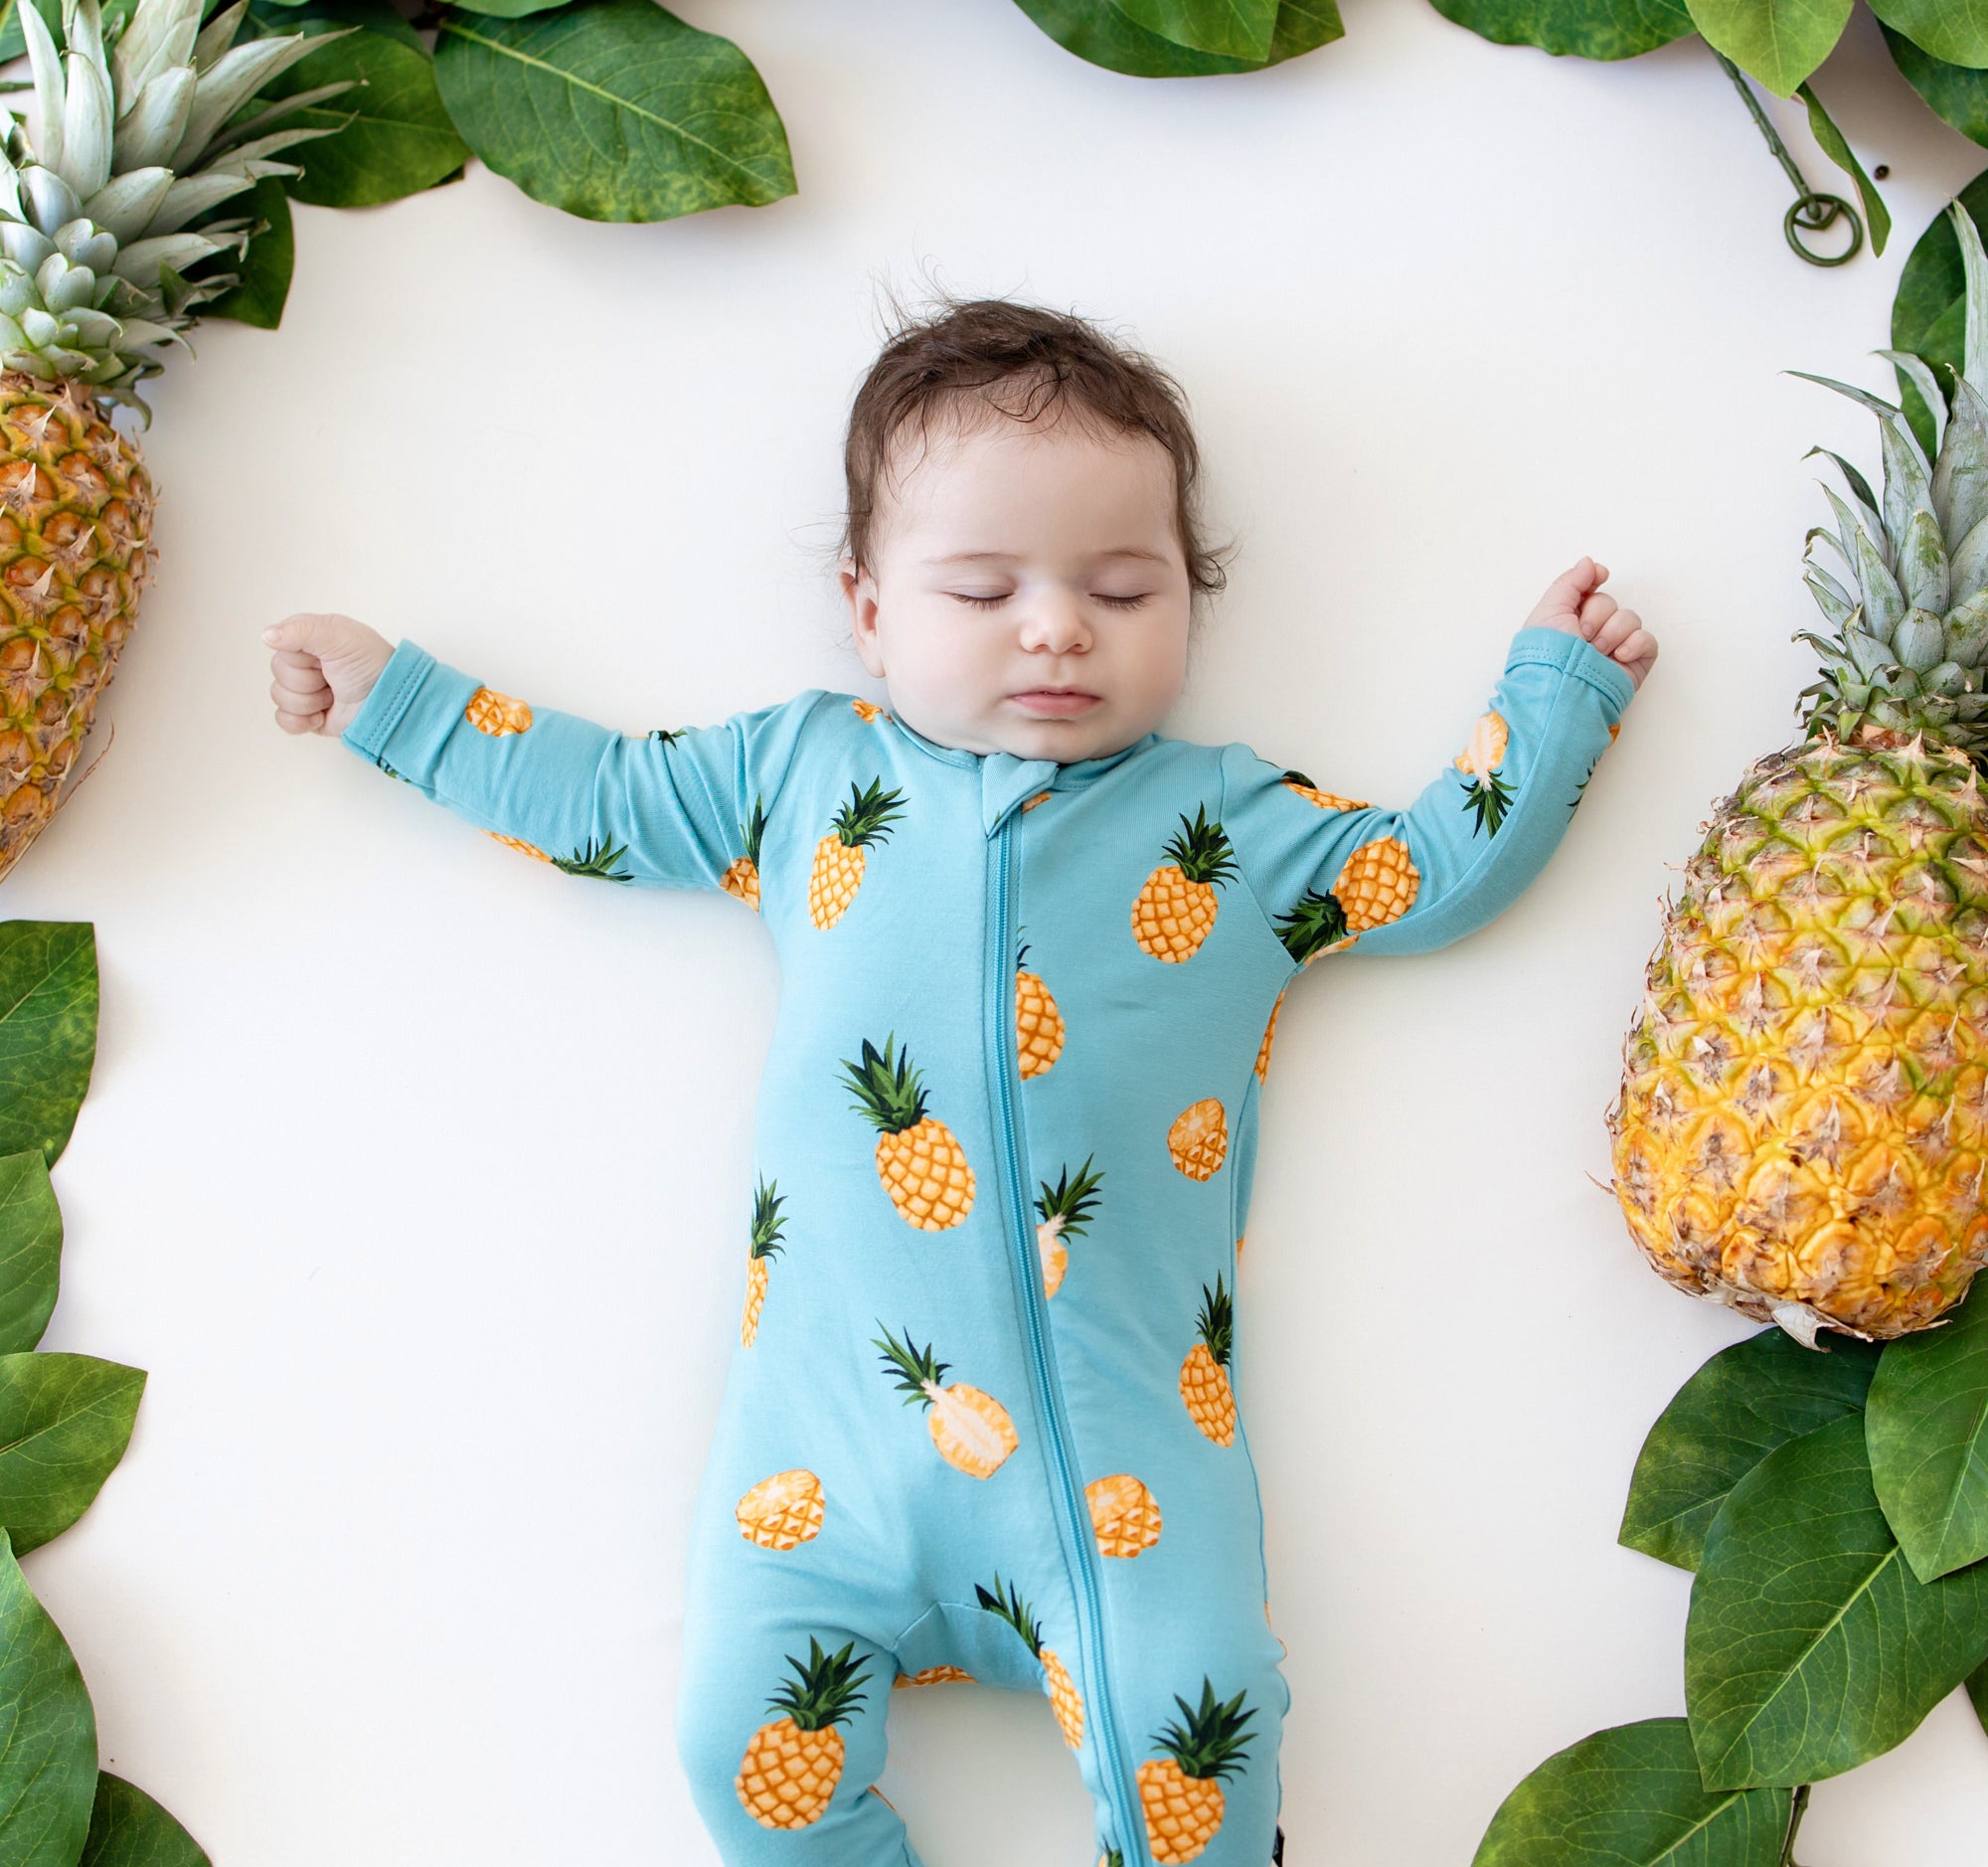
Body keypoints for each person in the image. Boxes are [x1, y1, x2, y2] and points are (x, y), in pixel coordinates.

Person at [264, 297, 1655, 1867]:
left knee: (1205, 1720)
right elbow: (602, 793)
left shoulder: (1242, 827)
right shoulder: (802, 776)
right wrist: (399, 701)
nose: (1054, 625)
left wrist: (1554, 697)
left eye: (1121, 586)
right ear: (868, 611)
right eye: (982, 588)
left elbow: (1431, 871)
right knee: (733, 1742)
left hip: (1126, 1473)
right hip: (828, 1460)